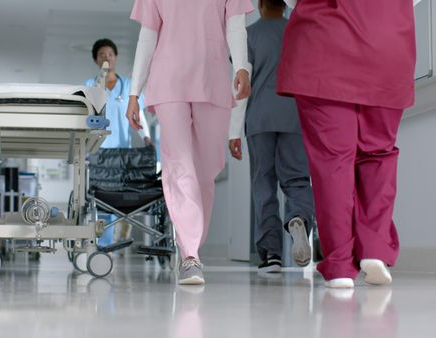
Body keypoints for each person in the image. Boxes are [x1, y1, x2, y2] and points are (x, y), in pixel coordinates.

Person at [277, 0, 417, 288]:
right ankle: (374, 249)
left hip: (323, 44)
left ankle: (340, 263)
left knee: (332, 161)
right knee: (379, 153)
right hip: (386, 44)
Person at [127, 0, 254, 285]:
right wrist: (134, 90)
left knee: (206, 171)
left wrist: (242, 68)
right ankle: (190, 254)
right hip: (169, 80)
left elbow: (235, 26)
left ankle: (191, 245)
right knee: (179, 165)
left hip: (213, 77)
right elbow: (148, 35)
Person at [228, 0, 315, 273]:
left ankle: (271, 255)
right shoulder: (300, 31)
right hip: (294, 116)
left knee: (263, 183)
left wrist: (234, 132)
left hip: (259, 119)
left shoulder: (249, 36)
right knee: (297, 178)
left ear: (261, 4)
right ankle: (298, 219)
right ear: (285, 6)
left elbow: (242, 87)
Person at [84, 38, 151, 246]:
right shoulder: (89, 86)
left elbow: (138, 116)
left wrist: (147, 137)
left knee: (118, 195)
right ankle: (103, 243)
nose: (107, 58)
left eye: (110, 54)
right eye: (102, 55)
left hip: (122, 152)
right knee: (102, 197)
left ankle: (120, 230)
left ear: (116, 58)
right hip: (98, 150)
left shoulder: (129, 86)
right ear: (96, 60)